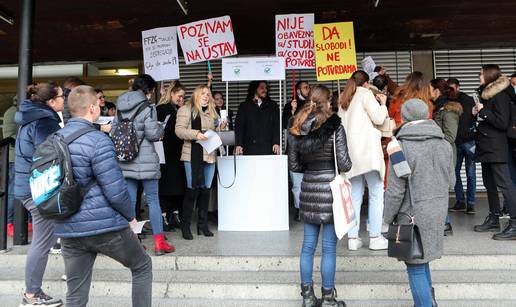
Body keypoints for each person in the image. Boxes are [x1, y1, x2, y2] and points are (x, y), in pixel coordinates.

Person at [54, 85, 152, 307]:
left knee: (76, 294)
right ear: (91, 108)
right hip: (105, 226)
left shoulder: (54, 139)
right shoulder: (99, 141)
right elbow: (115, 190)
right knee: (142, 266)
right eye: (98, 103)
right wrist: (130, 217)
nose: (100, 106)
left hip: (68, 227)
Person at [384, 98, 455, 307]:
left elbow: (396, 191)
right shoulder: (444, 144)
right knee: (422, 259)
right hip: (437, 211)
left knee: (414, 264)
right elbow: (451, 181)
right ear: (426, 116)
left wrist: (388, 218)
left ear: (403, 117)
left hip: (411, 214)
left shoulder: (399, 146)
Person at [288, 85, 352, 307]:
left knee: (307, 246)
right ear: (328, 101)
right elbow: (344, 163)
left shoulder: (297, 126)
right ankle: (328, 298)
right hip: (331, 190)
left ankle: (307, 297)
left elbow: (294, 165)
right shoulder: (335, 127)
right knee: (329, 248)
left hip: (308, 188)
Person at [111, 74, 174, 255]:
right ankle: (159, 243)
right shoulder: (148, 107)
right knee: (153, 200)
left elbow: (114, 130)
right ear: (149, 90)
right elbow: (153, 134)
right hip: (145, 159)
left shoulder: (120, 105)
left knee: (130, 201)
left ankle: (133, 242)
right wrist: (161, 127)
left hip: (125, 159)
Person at [14, 82, 64, 306]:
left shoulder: (33, 117)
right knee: (43, 242)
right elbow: (49, 155)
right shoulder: (45, 121)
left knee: (47, 238)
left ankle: (33, 292)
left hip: (30, 187)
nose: (65, 99)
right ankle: (32, 294)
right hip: (39, 190)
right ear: (51, 102)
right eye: (62, 96)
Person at [338, 70, 389, 251]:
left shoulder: (344, 98)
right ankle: (375, 237)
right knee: (376, 193)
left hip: (351, 155)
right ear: (366, 83)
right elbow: (378, 118)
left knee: (354, 196)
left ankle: (353, 238)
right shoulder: (366, 94)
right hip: (368, 153)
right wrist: (383, 104)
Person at [175, 85, 226, 240]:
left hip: (209, 155)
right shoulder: (186, 109)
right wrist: (196, 134)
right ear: (196, 94)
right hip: (192, 155)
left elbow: (214, 133)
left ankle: (202, 225)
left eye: (208, 93)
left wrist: (221, 127)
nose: (206, 96)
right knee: (192, 190)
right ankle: (185, 226)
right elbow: (179, 130)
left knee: (206, 191)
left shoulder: (212, 111)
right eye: (203, 93)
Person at [472, 64, 516, 240]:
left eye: (481, 74)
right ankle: (494, 217)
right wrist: (476, 112)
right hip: (486, 146)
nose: (479, 76)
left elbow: (502, 122)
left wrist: (484, 112)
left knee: (505, 184)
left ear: (489, 75)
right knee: (489, 184)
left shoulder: (500, 96)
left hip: (496, 146)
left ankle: (514, 223)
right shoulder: (487, 95)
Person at [430, 78, 463, 236]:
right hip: (438, 154)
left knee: (441, 191)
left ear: (436, 91)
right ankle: (443, 223)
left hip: (445, 155)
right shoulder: (439, 108)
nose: (428, 92)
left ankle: (445, 224)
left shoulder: (448, 110)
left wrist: (430, 134)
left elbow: (450, 137)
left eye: (430, 89)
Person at [156, 81, 187, 229]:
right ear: (172, 94)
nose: (181, 99)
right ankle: (163, 214)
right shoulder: (161, 109)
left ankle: (175, 213)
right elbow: (161, 130)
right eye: (179, 96)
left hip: (179, 150)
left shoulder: (183, 109)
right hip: (165, 151)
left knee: (179, 184)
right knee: (166, 184)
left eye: (183, 97)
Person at [447, 78, 477, 214]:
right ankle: (460, 201)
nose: (450, 91)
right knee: (454, 173)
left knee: (470, 174)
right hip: (455, 143)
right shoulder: (446, 100)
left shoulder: (468, 99)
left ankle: (470, 203)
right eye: (448, 88)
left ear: (458, 87)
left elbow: (476, 117)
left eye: (452, 88)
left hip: (469, 142)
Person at [234, 81, 280, 155]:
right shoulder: (244, 106)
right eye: (262, 88)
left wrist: (276, 142)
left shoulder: (272, 105)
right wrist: (238, 144)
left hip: (268, 148)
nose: (265, 90)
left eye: (266, 88)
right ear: (254, 89)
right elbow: (239, 126)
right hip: (249, 148)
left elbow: (276, 125)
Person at [3, 95, 17, 237]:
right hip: (14, 158)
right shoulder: (13, 113)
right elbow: (11, 136)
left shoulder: (13, 112)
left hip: (15, 157)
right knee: (12, 191)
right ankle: (9, 222)